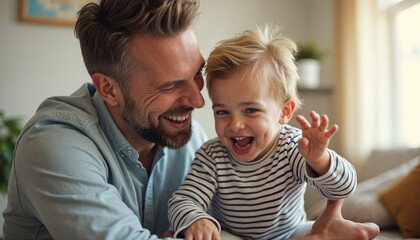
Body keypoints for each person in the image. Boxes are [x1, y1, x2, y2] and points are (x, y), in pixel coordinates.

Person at [2, 1, 379, 239]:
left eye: (196, 75)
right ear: (109, 89)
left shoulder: (188, 137)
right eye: (171, 85)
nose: (199, 100)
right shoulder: (53, 146)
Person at [168, 26, 358, 240]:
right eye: (222, 111)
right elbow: (183, 200)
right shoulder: (212, 156)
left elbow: (344, 188)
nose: (235, 124)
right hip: (233, 235)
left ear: (284, 112)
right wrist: (196, 220)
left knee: (320, 229)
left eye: (250, 110)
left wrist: (320, 160)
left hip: (291, 233)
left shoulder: (294, 147)